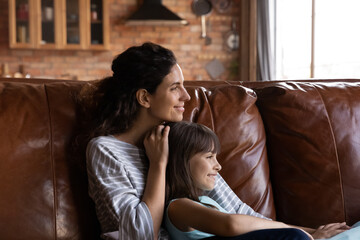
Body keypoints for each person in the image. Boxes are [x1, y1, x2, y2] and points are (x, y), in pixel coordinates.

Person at [84, 42, 348, 240]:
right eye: (174, 88)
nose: (186, 97)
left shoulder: (180, 141)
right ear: (144, 98)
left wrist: (311, 232)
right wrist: (158, 165)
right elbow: (139, 235)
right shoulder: (106, 150)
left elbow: (236, 211)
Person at [164, 121, 356, 240]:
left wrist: (314, 232)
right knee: (295, 236)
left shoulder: (207, 202)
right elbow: (232, 224)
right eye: (209, 157)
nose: (218, 166)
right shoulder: (177, 206)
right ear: (181, 162)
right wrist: (301, 232)